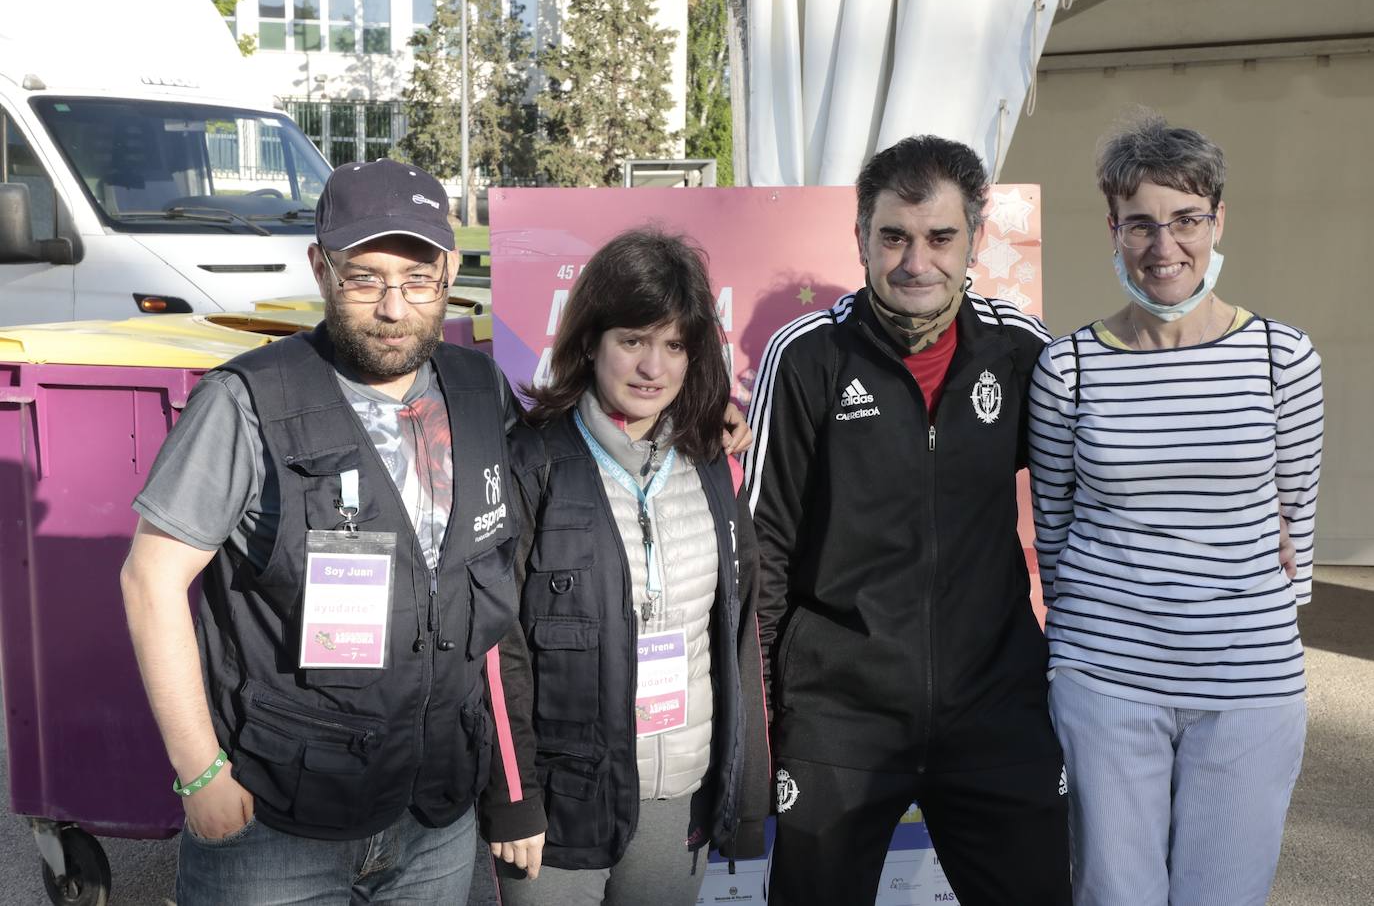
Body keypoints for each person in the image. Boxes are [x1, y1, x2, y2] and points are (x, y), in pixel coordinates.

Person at [120, 159, 544, 904]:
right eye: (364, 277)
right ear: (321, 268)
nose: (393, 305)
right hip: (277, 824)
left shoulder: (481, 392)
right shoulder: (247, 400)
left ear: (448, 270)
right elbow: (150, 580)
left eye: (418, 279)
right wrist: (200, 772)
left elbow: (559, 489)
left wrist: (705, 431)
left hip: (433, 816)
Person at [743, 136, 1071, 905]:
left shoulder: (1022, 352)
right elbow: (764, 547)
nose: (915, 261)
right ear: (861, 237)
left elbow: (1098, 496)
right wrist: (760, 720)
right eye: (894, 236)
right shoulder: (806, 357)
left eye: (939, 238)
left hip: (995, 708)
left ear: (976, 240)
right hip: (838, 715)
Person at [1027, 114, 1323, 906]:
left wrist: (1257, 628)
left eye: (1187, 220)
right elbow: (1052, 529)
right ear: (1114, 230)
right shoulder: (1069, 368)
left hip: (1248, 684)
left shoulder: (1282, 359)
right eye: (1142, 224)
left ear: (1218, 220)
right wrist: (1081, 651)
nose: (1166, 247)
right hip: (1107, 681)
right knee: (1114, 894)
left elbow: (1298, 518)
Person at [484, 227, 772, 906]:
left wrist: (744, 790)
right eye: (633, 340)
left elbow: (739, 637)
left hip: (680, 798)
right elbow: (500, 648)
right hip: (562, 805)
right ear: (590, 342)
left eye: (674, 345)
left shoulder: (713, 466)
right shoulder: (534, 463)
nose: (653, 368)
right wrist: (515, 797)